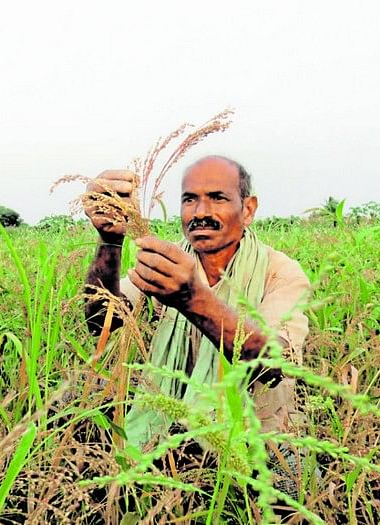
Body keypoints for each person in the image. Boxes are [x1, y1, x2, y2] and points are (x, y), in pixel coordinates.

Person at [83, 155, 310, 448]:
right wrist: (110, 242)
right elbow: (100, 320)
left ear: (248, 209)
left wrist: (192, 299)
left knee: (295, 482)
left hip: (260, 439)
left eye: (217, 198)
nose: (201, 212)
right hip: (170, 434)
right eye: (190, 200)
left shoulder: (278, 272)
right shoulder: (168, 263)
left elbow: (274, 365)